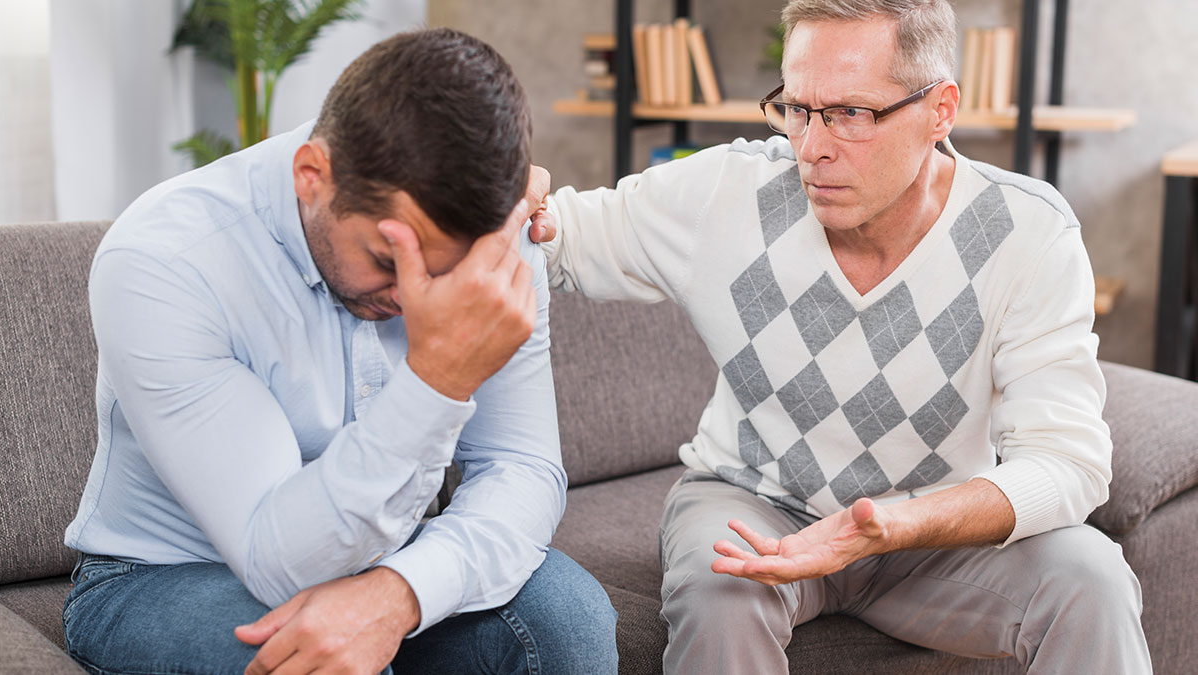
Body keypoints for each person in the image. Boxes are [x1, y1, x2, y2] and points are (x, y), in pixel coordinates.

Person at [531, 0, 1150, 672]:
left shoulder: (1027, 235)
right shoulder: (729, 196)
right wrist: (515, 201)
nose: (813, 146)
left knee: (1093, 578)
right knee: (721, 593)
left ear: (940, 110)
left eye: (852, 113)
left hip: (925, 535)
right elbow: (554, 235)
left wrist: (891, 526)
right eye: (798, 108)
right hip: (753, 501)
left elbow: (1068, 463)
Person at [62, 27, 617, 675]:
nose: (419, 302)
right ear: (312, 176)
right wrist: (437, 377)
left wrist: (403, 591)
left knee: (569, 623)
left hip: (385, 553)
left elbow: (523, 467)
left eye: (443, 275)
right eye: (389, 261)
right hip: (164, 572)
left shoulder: (492, 234)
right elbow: (280, 559)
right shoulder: (165, 261)